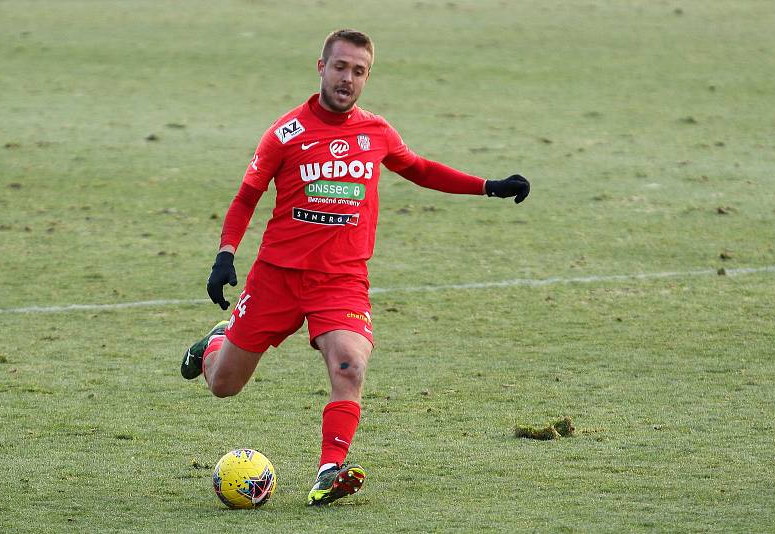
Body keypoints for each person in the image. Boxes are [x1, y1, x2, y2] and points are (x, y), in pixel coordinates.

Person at [180, 29, 530, 506]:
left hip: (341, 281)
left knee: (349, 366)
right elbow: (247, 198)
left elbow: (420, 169)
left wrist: (488, 186)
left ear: (367, 76)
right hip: (277, 278)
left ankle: (329, 470)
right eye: (340, 67)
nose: (348, 78)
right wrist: (225, 254)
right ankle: (215, 343)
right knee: (223, 386)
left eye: (359, 71)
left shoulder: (377, 132)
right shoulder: (286, 134)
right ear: (321, 67)